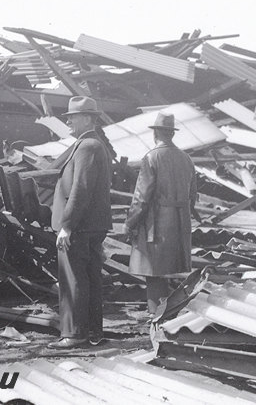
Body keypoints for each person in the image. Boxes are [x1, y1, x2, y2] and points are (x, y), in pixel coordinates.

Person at [49, 96, 112, 349]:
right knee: (89, 279)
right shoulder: (93, 144)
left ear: (88, 118)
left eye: (72, 117)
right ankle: (92, 331)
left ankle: (74, 335)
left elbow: (81, 189)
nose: (68, 122)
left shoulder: (87, 146)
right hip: (91, 225)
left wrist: (67, 225)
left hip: (80, 226)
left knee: (73, 278)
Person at [123, 112, 197, 315]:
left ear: (155, 134)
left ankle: (157, 315)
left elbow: (141, 196)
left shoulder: (151, 157)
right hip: (180, 222)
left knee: (153, 272)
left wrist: (130, 223)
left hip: (156, 223)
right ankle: (168, 312)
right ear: (171, 134)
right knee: (169, 270)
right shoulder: (186, 158)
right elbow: (193, 194)